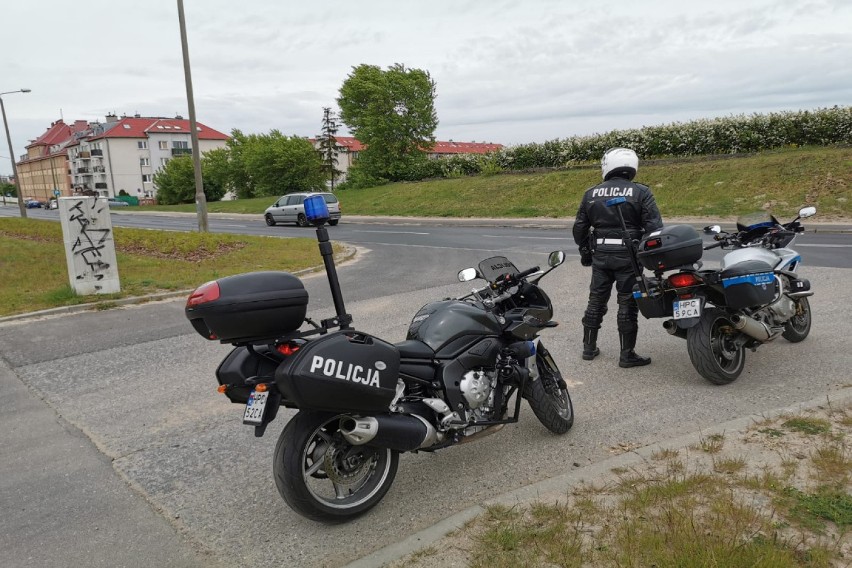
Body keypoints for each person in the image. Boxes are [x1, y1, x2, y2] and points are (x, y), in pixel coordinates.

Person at [572, 148, 663, 368]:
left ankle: (589, 348)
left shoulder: (591, 193)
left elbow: (579, 229)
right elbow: (655, 228)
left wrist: (585, 252)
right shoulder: (641, 192)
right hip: (629, 258)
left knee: (595, 302)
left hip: (601, 256)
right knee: (627, 305)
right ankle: (627, 354)